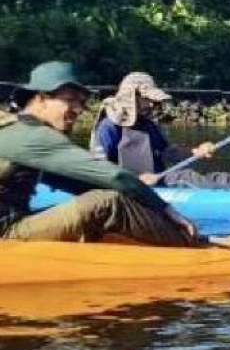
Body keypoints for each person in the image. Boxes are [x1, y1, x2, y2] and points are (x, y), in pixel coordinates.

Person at [0, 61, 197, 245]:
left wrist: (132, 193)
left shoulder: (14, 129)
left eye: (81, 102)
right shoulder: (33, 136)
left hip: (13, 223)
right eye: (70, 100)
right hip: (7, 232)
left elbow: (75, 181)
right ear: (41, 99)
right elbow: (117, 176)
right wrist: (165, 209)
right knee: (108, 203)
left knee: (106, 195)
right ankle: (194, 246)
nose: (78, 109)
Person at [89, 72, 230, 189]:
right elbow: (98, 169)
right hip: (134, 189)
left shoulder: (147, 125)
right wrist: (136, 179)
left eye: (153, 100)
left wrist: (196, 151)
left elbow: (168, 152)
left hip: (159, 183)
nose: (152, 105)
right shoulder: (108, 127)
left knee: (223, 178)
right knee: (186, 176)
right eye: (147, 99)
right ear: (131, 97)